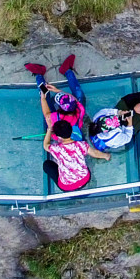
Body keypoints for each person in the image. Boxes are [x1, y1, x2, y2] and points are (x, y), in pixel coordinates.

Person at [28, 63, 94, 193]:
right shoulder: (79, 111)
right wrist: (59, 92)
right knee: (79, 95)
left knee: (46, 98)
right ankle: (45, 75)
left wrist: (45, 96)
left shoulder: (55, 118)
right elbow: (75, 100)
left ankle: (42, 75)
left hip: (81, 179)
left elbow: (47, 113)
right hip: (75, 181)